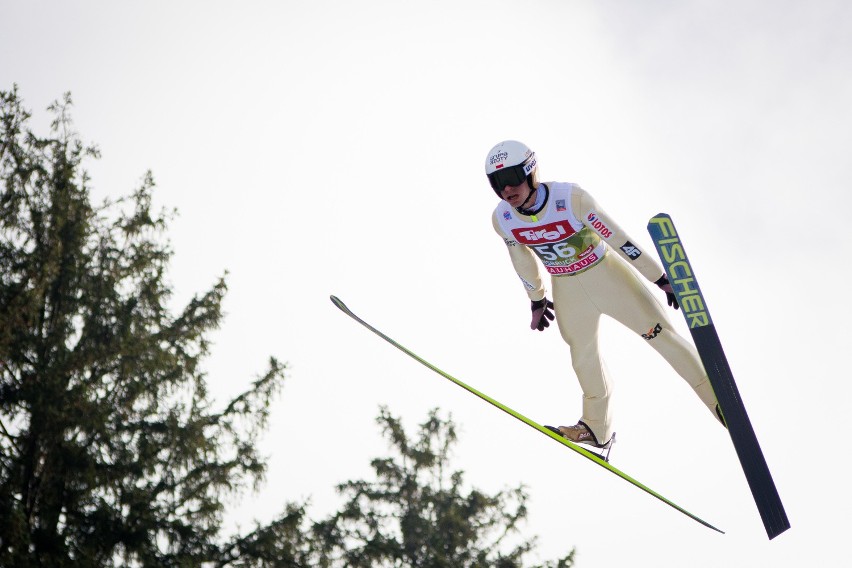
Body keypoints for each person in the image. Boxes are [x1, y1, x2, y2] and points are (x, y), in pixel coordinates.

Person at [485, 140, 724, 449]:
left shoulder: (571, 199)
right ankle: (596, 428)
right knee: (582, 357)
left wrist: (659, 277)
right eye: (497, 184)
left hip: (607, 275)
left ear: (531, 172)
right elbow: (522, 260)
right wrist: (537, 299)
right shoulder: (503, 219)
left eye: (511, 179)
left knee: (660, 336)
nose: (506, 190)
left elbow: (616, 237)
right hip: (567, 287)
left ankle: (718, 401)